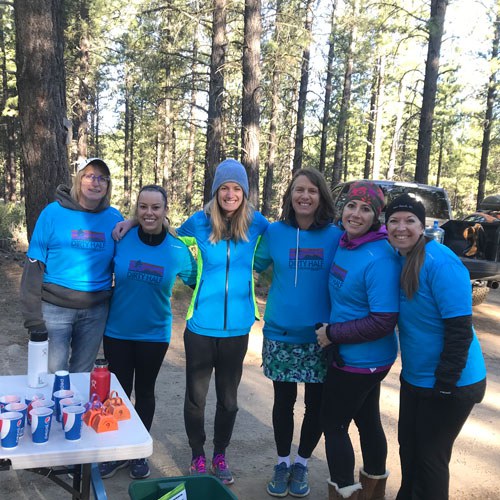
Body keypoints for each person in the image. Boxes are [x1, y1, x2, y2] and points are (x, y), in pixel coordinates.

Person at [385, 194, 487, 500]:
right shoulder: (400, 258)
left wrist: (445, 384)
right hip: (417, 378)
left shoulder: (441, 261)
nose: (401, 227)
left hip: (452, 382)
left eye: (409, 220)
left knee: (430, 458)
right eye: (393, 221)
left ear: (423, 225)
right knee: (410, 449)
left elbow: (459, 331)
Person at [177, 158, 269, 485]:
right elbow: (168, 243)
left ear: (245, 192)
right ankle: (198, 455)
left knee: (229, 401)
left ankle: (220, 453)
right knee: (195, 398)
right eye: (224, 188)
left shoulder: (259, 224)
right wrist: (193, 279)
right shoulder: (198, 223)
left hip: (237, 329)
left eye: (237, 188)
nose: (230, 194)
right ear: (216, 191)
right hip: (200, 326)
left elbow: (273, 251)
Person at [98, 185, 197, 480]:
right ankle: (115, 451)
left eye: (155, 207)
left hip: (154, 335)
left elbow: (199, 282)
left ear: (165, 211)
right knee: (118, 393)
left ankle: (138, 453)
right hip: (117, 331)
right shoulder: (121, 237)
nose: (149, 213)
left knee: (145, 392)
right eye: (143, 207)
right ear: (136, 209)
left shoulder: (178, 250)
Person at [254, 168, 342, 498]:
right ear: (290, 196)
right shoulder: (275, 232)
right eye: (298, 190)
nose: (304, 196)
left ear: (322, 197)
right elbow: (250, 265)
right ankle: (282, 462)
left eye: (312, 191)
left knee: (316, 406)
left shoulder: (336, 236)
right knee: (283, 402)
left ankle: (302, 463)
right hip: (280, 332)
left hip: (321, 337)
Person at [315, 181, 400, 500]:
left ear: (376, 217)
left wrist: (332, 333)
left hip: (360, 361)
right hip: (359, 359)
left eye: (366, 209)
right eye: (351, 205)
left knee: (334, 424)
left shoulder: (379, 257)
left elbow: (383, 320)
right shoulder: (346, 242)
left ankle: (346, 493)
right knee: (367, 419)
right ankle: (373, 491)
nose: (356, 213)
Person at [20, 158, 123, 373]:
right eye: (90, 176)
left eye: (102, 178)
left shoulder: (114, 217)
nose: (96, 183)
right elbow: (34, 266)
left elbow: (124, 260)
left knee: (82, 376)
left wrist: (132, 222)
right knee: (53, 376)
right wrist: (32, 318)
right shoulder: (52, 213)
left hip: (95, 312)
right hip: (55, 309)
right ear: (78, 179)